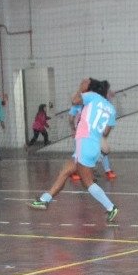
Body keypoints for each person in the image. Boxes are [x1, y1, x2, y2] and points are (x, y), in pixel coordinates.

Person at [30, 78, 119, 222]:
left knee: (88, 183)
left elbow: (74, 100)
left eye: (86, 83)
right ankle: (44, 200)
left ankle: (111, 207)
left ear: (91, 88)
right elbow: (106, 133)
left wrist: (81, 87)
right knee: (65, 171)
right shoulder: (111, 109)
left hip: (84, 143)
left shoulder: (92, 96)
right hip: (93, 145)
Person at [69, 101, 115, 180]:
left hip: (93, 131)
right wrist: (73, 129)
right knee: (79, 152)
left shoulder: (94, 102)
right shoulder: (77, 104)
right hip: (81, 132)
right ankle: (73, 172)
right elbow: (70, 118)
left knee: (103, 149)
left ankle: (107, 170)